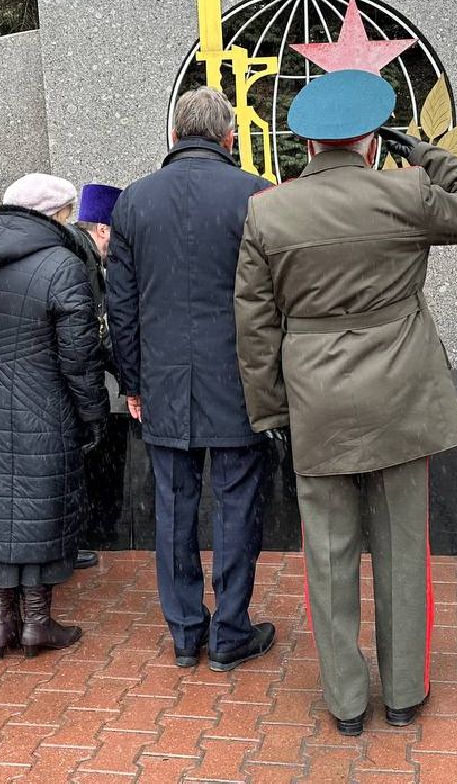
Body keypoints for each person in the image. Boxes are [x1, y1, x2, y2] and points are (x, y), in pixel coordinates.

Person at [234, 69, 457, 735]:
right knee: (403, 548)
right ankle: (405, 692)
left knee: (328, 555)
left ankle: (347, 702)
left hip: (316, 398)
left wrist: (270, 412)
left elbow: (255, 324)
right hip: (400, 396)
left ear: (311, 143)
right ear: (369, 137)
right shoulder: (406, 190)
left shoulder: (269, 209)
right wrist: (423, 151)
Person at [107, 87, 275, 673]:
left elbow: (120, 306)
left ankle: (185, 633)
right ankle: (229, 631)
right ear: (228, 137)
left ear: (175, 136)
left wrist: (132, 382)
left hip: (163, 384)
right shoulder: (255, 195)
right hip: (239, 382)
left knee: (173, 509)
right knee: (236, 506)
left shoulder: (133, 202)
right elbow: (274, 298)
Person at [0, 174, 108, 659]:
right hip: (42, 405)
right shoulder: (62, 265)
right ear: (57, 214)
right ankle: (37, 622)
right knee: (39, 507)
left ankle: (3, 622)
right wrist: (93, 414)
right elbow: (79, 356)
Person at [73, 183, 126, 556]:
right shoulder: (84, 260)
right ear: (102, 229)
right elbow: (96, 331)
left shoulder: (73, 251)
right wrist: (130, 374)